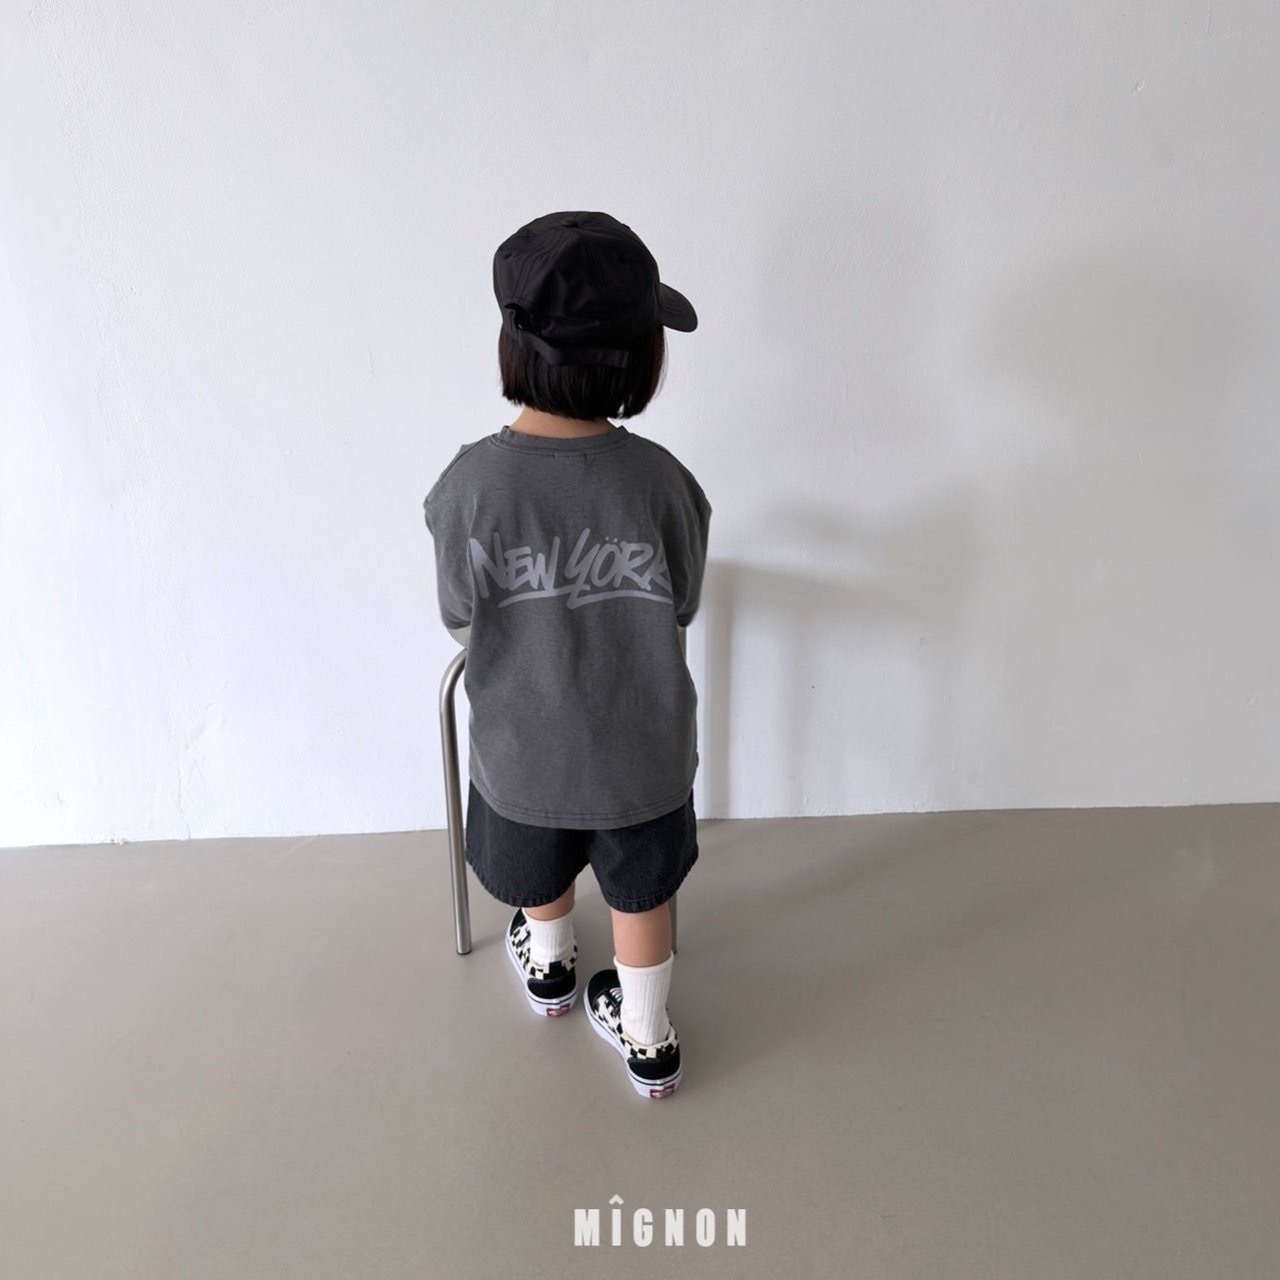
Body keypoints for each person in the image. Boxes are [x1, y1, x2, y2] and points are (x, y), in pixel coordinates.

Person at [422, 211, 711, 1099]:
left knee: (535, 865)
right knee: (641, 893)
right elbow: (684, 602)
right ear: (638, 361)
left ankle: (548, 961)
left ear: (514, 345)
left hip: (524, 753)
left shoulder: (468, 487)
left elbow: (459, 615)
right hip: (642, 756)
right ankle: (649, 1035)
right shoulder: (663, 481)